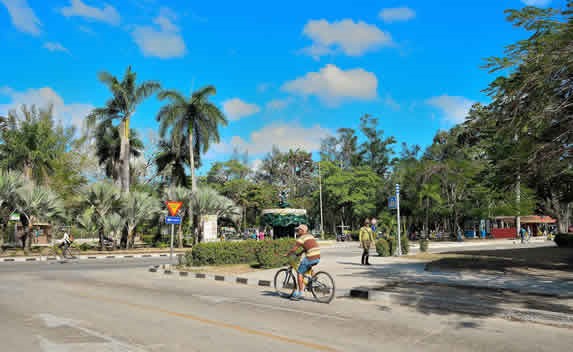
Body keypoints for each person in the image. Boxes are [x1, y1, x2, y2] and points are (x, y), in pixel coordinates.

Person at [285, 224, 320, 300]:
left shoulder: (301, 238)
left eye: (298, 230)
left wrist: (287, 254)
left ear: (302, 231)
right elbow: (308, 246)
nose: (297, 231)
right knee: (307, 265)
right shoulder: (310, 236)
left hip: (310, 256)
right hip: (317, 256)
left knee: (299, 273)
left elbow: (294, 249)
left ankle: (301, 293)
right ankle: (313, 279)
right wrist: (300, 253)